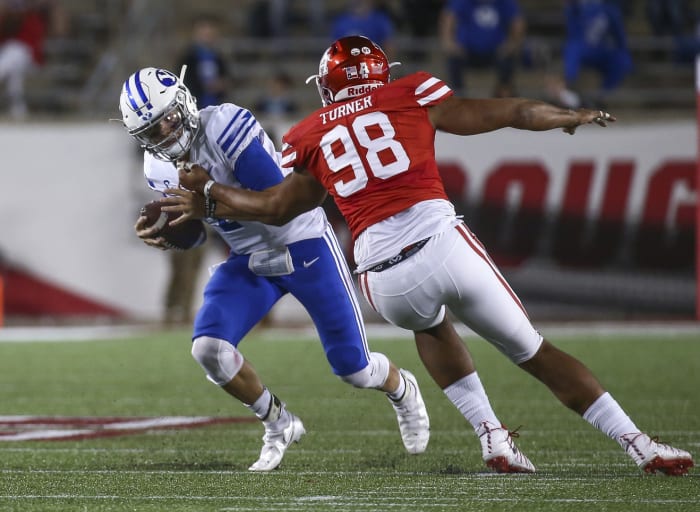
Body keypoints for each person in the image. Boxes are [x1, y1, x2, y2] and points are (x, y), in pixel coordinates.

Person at [169, 36, 694, 476]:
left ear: (327, 86)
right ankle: (639, 445)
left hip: (383, 278)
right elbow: (509, 112)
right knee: (533, 352)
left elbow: (275, 207)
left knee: (430, 325)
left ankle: (491, 435)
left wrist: (211, 193)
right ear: (381, 73)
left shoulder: (311, 132)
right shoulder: (410, 92)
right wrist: (567, 115)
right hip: (441, 243)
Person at [118, 66, 430, 472]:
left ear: (184, 102)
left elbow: (276, 205)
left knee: (354, 369)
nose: (164, 133)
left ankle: (402, 387)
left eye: (168, 119)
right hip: (249, 258)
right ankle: (278, 422)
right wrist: (174, 234)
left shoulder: (225, 125)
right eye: (151, 131)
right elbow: (203, 230)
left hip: (303, 243)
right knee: (208, 349)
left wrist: (208, 194)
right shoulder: (157, 167)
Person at [162, 13, 230, 325]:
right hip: (185, 197)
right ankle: (173, 307)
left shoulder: (218, 60)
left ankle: (182, 308)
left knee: (197, 248)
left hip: (203, 197)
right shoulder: (188, 60)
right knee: (182, 249)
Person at [439, 0, 525, 98]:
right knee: (453, 58)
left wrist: (513, 43)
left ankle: (503, 94)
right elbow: (448, 17)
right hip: (466, 51)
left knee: (508, 58)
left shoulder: (505, 2)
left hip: (497, 52)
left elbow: (517, 21)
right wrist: (449, 42)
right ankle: (459, 94)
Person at [563, 0, 633, 108]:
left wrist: (624, 52)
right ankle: (570, 84)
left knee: (622, 60)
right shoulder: (576, 7)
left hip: (601, 49)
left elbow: (620, 37)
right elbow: (572, 31)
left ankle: (602, 96)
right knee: (573, 48)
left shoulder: (609, 9)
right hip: (581, 47)